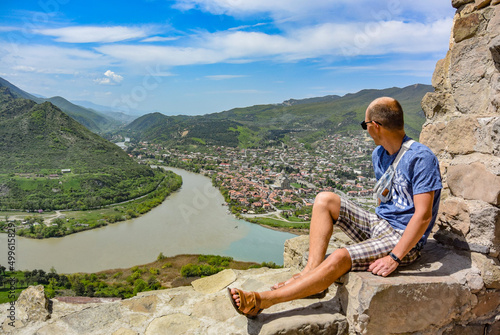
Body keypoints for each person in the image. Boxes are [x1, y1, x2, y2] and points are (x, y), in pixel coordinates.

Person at [228, 97, 442, 318]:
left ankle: (261, 301)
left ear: (375, 126)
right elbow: (383, 197)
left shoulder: (421, 158)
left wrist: (394, 258)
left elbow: (423, 215)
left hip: (403, 237)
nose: (366, 130)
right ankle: (311, 273)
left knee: (340, 256)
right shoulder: (379, 155)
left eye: (365, 125)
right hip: (381, 224)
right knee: (324, 200)